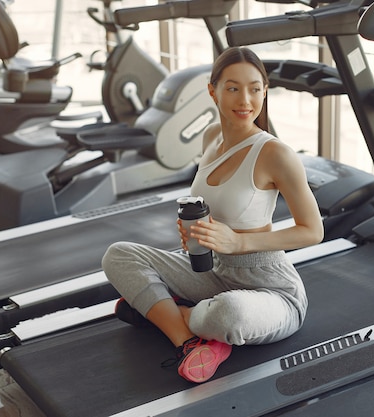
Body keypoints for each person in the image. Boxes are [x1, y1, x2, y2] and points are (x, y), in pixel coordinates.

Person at [101, 46, 323, 384]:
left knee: (229, 313)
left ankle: (170, 312)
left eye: (255, 88)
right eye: (232, 88)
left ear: (265, 91)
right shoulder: (211, 137)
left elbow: (312, 231)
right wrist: (195, 232)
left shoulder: (276, 154)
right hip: (209, 269)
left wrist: (238, 241)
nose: (245, 99)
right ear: (212, 90)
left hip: (269, 287)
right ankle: (188, 341)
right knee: (118, 255)